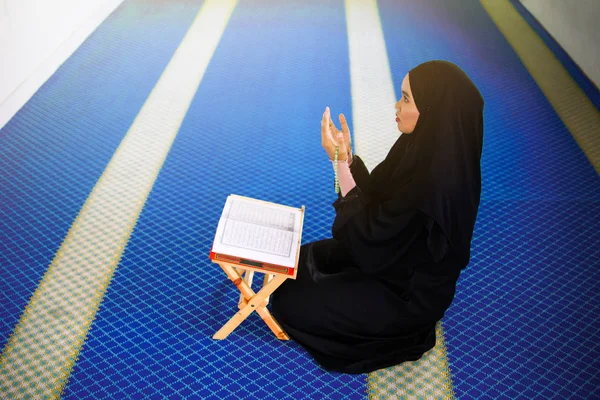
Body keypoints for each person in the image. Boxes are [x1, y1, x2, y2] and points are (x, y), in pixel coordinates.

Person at [271, 60, 484, 374]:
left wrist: (342, 164)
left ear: (433, 108)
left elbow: (371, 238)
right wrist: (347, 156)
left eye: (407, 99)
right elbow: (379, 200)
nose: (397, 106)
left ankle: (395, 330)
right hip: (390, 257)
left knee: (291, 301)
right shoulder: (421, 146)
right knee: (301, 262)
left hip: (406, 295)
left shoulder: (437, 183)